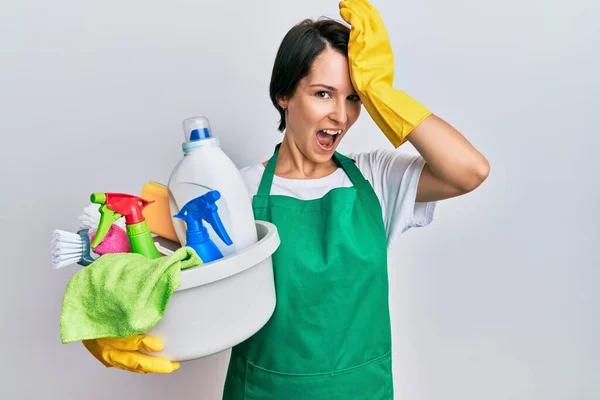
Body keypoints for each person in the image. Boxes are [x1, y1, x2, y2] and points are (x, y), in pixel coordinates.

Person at [81, 0, 489, 398]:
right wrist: (105, 320)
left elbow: (470, 170)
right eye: (323, 94)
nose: (342, 116)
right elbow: (138, 261)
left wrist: (382, 92)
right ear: (284, 95)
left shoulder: (377, 177)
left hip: (362, 390)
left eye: (354, 98)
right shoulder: (234, 191)